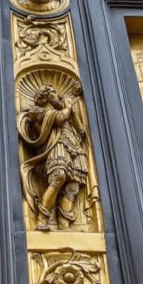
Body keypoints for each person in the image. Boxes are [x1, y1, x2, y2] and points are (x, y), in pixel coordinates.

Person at [18, 83, 89, 231]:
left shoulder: (65, 112)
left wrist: (73, 111)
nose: (58, 98)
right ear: (48, 97)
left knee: (73, 187)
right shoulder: (37, 111)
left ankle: (63, 224)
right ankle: (42, 219)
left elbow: (81, 131)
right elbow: (59, 119)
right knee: (58, 176)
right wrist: (68, 107)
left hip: (74, 149)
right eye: (55, 95)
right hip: (57, 147)